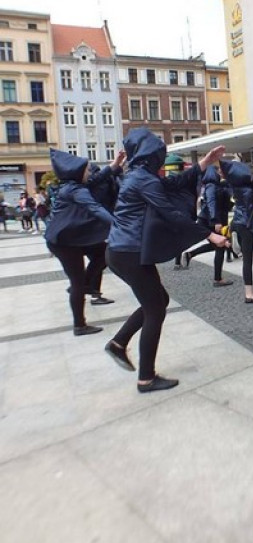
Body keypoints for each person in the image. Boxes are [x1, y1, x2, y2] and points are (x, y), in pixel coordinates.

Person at [106, 128, 229, 393]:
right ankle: (146, 378)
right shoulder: (143, 180)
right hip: (128, 253)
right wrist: (209, 235)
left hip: (123, 251)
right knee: (155, 309)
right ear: (149, 156)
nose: (161, 159)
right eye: (157, 155)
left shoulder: (139, 176)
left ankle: (118, 343)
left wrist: (203, 163)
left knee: (158, 300)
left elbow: (172, 184)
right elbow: (171, 212)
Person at [45, 149, 113, 336]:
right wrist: (117, 224)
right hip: (64, 243)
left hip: (71, 237)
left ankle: (87, 284)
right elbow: (95, 208)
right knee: (76, 281)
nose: (90, 173)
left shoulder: (71, 185)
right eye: (87, 170)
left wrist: (114, 165)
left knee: (103, 252)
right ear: (77, 172)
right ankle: (79, 325)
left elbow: (97, 180)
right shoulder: (75, 190)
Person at [219, 155, 253, 303]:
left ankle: (235, 243)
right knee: (248, 261)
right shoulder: (247, 191)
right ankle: (249, 294)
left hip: (237, 222)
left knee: (246, 260)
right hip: (246, 224)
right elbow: (252, 212)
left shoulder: (236, 187)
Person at [83, 151, 126, 305]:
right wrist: (115, 164)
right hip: (92, 228)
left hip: (99, 226)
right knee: (100, 258)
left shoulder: (106, 182)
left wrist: (118, 167)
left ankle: (91, 290)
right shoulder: (88, 184)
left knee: (99, 259)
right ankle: (86, 286)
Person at [182, 165, 234, 286]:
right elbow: (211, 203)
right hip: (210, 221)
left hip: (207, 220)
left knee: (217, 246)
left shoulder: (214, 185)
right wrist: (216, 221)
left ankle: (190, 254)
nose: (220, 173)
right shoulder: (211, 186)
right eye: (218, 171)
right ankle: (218, 279)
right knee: (220, 246)